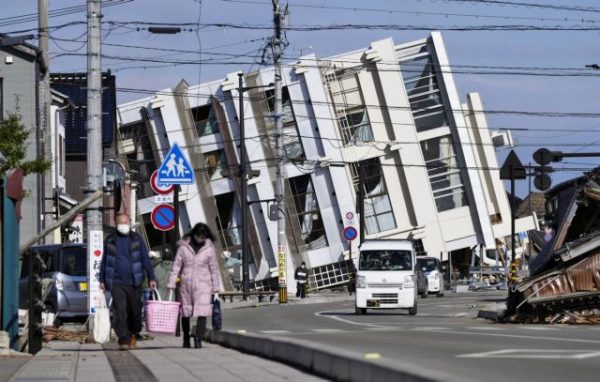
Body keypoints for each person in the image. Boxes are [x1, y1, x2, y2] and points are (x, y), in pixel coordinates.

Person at [100, 213, 157, 351]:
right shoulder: (110, 240)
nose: (124, 225)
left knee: (135, 311)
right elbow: (105, 261)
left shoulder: (137, 239)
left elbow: (145, 259)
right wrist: (101, 279)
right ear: (116, 223)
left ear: (130, 223)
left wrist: (151, 277)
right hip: (116, 282)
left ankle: (133, 334)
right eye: (121, 222)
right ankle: (123, 339)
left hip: (135, 281)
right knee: (120, 311)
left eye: (126, 222)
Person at [167, 223, 221, 348]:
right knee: (185, 312)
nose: (200, 238)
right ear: (194, 234)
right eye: (198, 235)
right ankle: (186, 338)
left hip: (204, 285)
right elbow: (176, 266)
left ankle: (198, 339)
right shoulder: (183, 248)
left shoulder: (209, 249)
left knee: (202, 312)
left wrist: (216, 288)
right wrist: (171, 283)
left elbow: (214, 269)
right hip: (187, 284)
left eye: (203, 236)